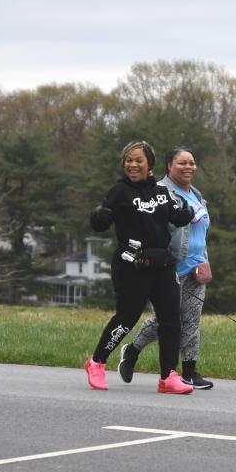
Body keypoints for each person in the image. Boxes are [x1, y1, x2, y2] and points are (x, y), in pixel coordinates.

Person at [85, 140, 195, 394]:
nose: (133, 165)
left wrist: (186, 212)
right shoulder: (119, 191)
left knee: (171, 320)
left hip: (162, 266)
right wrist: (98, 215)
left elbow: (175, 217)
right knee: (127, 318)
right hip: (131, 266)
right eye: (128, 160)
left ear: (149, 164)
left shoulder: (161, 192)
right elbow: (101, 222)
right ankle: (97, 362)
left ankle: (168, 376)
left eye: (138, 161)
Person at [117, 146, 215, 389]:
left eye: (191, 163)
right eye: (182, 163)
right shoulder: (159, 192)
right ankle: (132, 350)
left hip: (195, 266)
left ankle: (189, 371)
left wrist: (204, 259)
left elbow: (200, 232)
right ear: (169, 165)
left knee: (192, 319)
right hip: (169, 267)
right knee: (166, 320)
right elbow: (154, 231)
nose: (188, 167)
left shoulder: (196, 194)